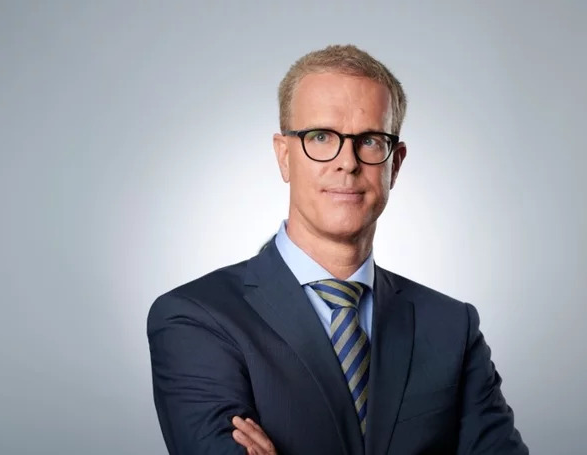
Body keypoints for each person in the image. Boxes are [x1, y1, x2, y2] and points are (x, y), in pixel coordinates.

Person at [147, 44, 529, 455]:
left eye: (370, 140)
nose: (347, 162)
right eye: (321, 136)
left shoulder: (452, 327)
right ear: (284, 156)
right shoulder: (195, 318)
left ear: (395, 164)